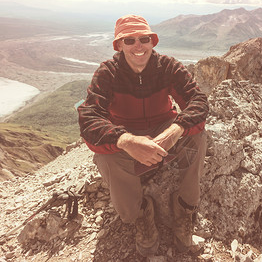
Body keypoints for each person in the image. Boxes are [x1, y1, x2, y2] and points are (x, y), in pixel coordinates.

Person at [77, 14, 208, 256]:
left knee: (196, 136)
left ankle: (184, 209)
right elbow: (89, 117)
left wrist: (175, 130)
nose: (138, 46)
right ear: (119, 45)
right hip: (125, 131)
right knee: (106, 157)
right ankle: (140, 215)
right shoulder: (108, 73)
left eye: (144, 39)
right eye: (129, 41)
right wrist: (126, 140)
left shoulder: (168, 67)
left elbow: (198, 101)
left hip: (163, 126)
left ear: (152, 42)